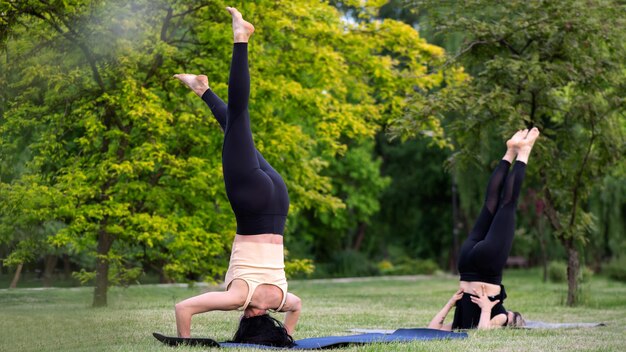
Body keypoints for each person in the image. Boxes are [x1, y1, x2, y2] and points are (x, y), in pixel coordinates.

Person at [171, 7, 301, 347]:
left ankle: (202, 90)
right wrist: (185, 342)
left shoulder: (280, 301)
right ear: (247, 322)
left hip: (278, 203)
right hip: (252, 202)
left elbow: (297, 308)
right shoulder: (238, 299)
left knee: (237, 132)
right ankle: (241, 37)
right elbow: (182, 307)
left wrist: (286, 336)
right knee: (239, 117)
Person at [428, 128, 540, 330]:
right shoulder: (497, 317)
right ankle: (510, 152)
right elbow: (436, 328)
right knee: (490, 203)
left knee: (506, 204)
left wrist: (453, 303)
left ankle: (521, 153)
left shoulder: (497, 314)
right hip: (467, 262)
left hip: (486, 264)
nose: (510, 314)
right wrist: (483, 309)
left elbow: (436, 330)